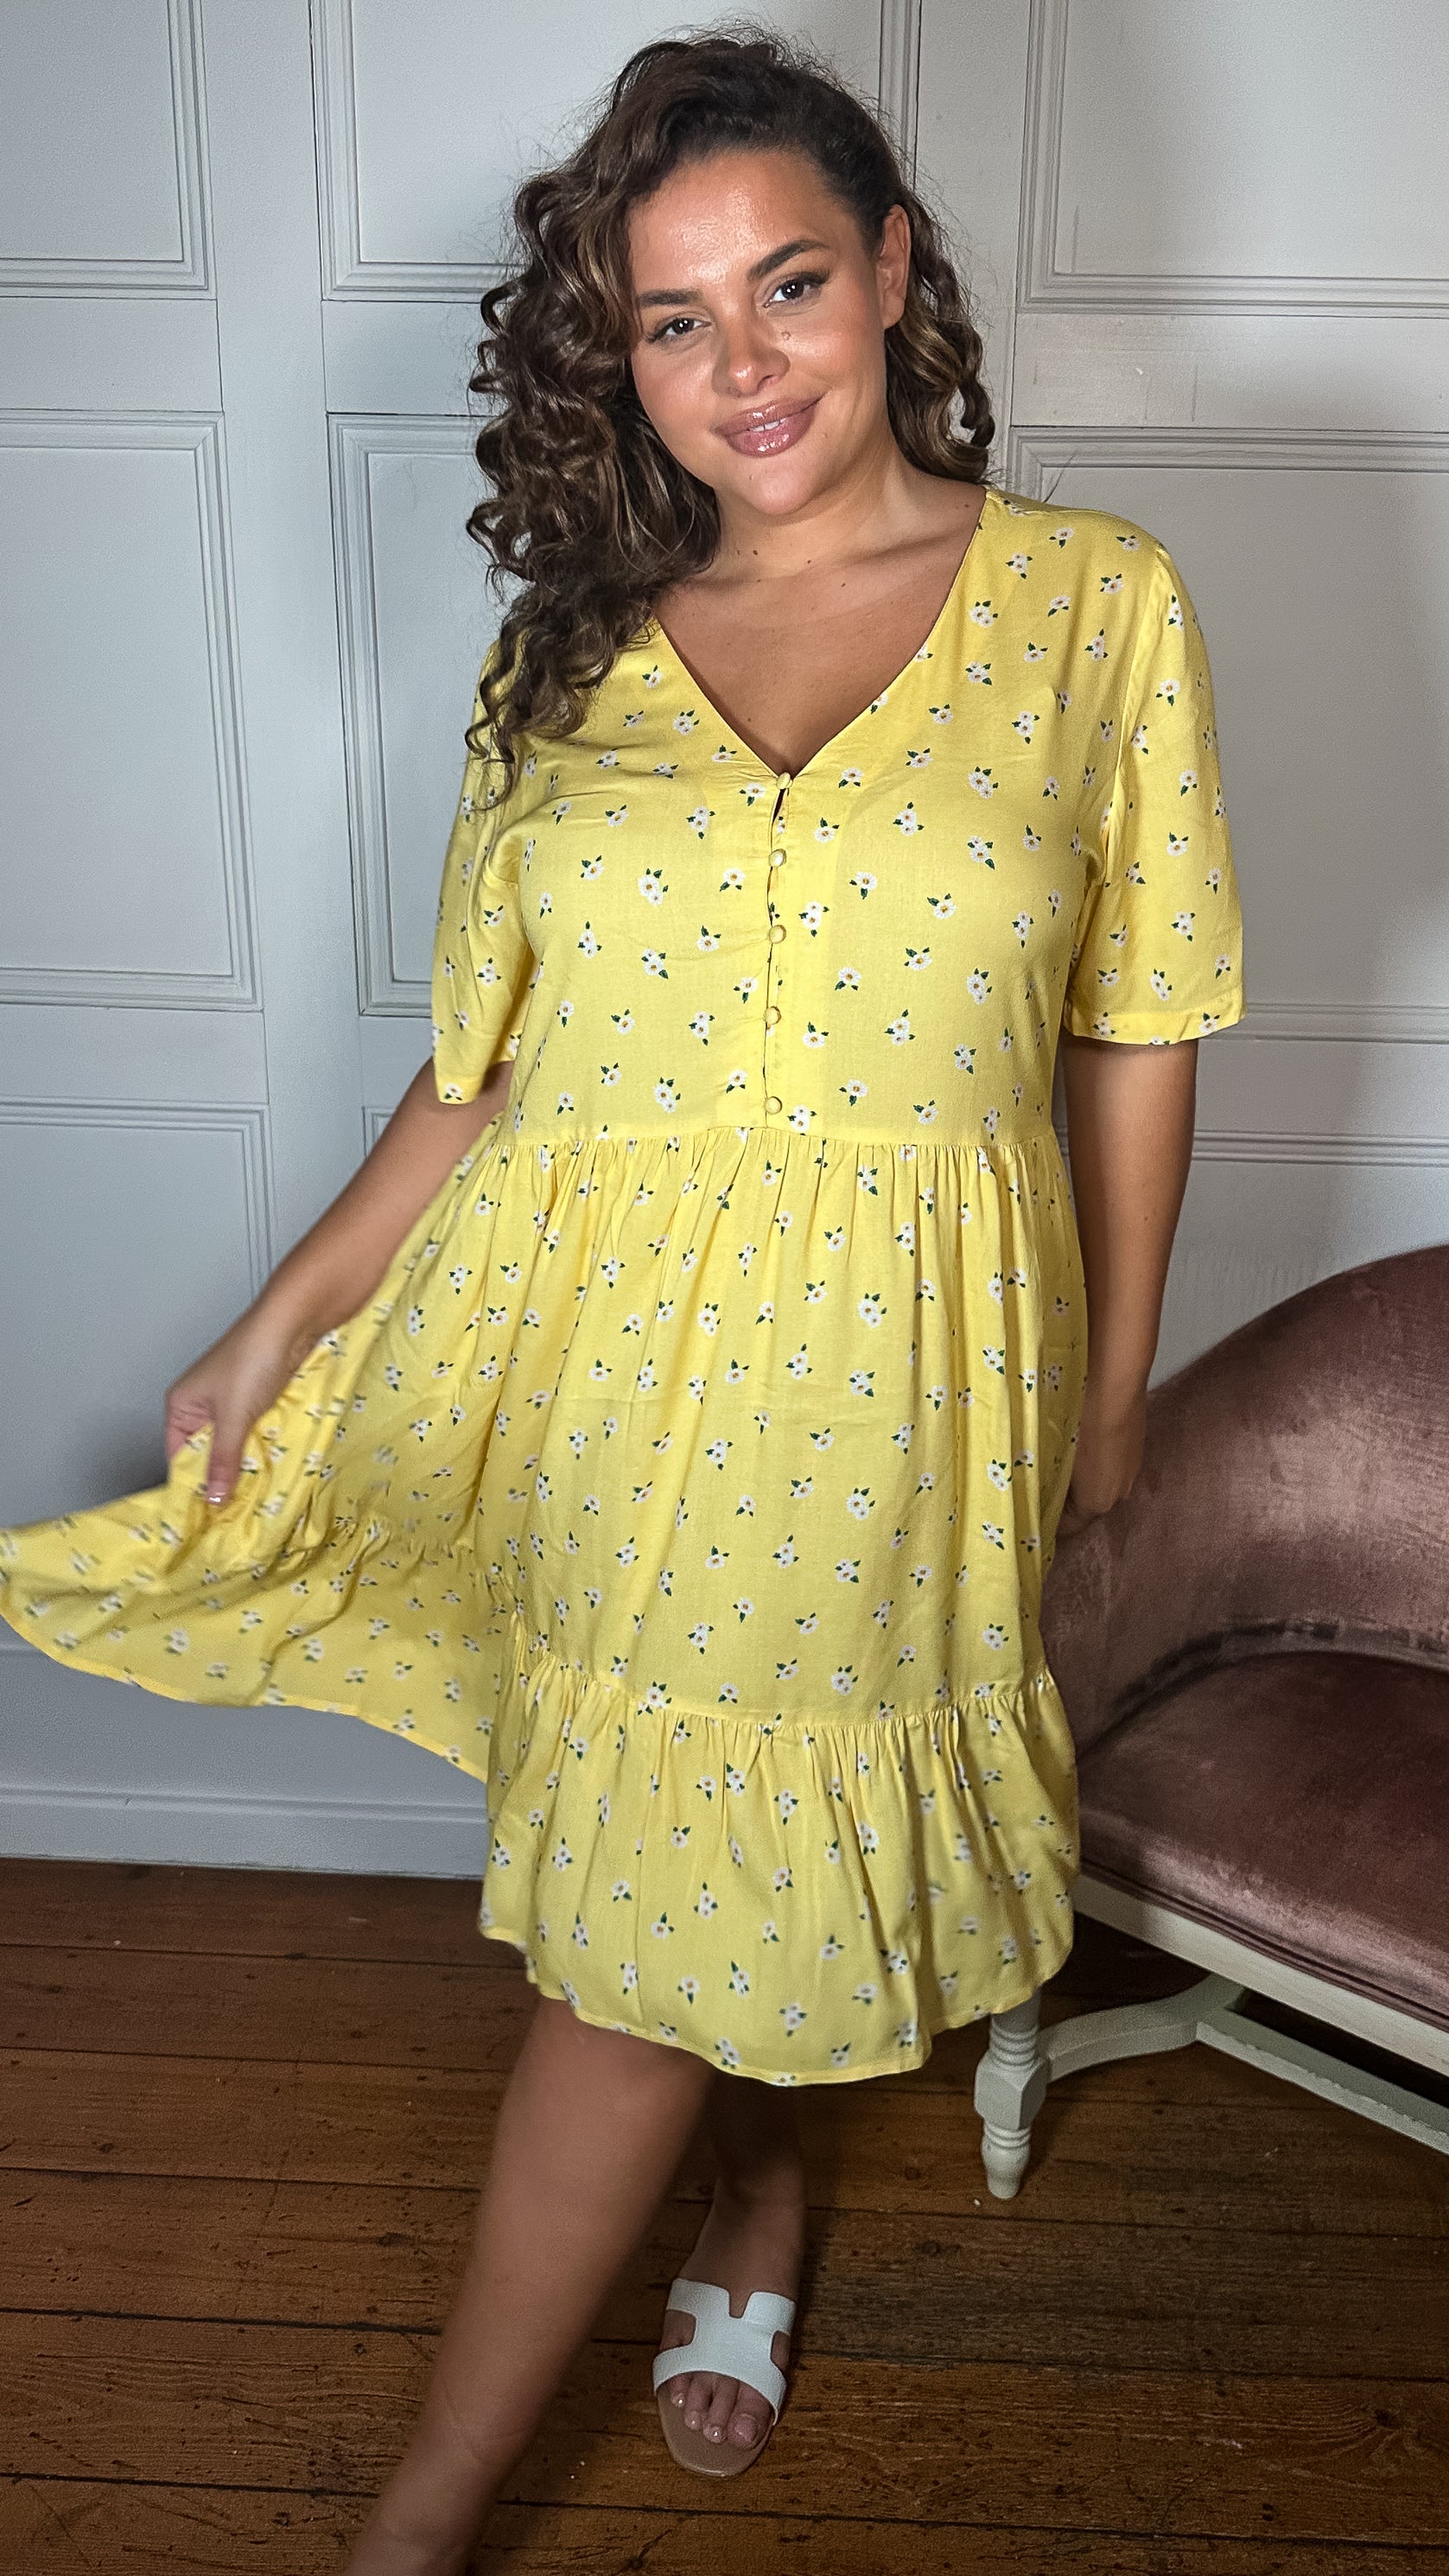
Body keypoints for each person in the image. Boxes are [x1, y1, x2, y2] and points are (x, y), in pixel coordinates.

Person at [0, 27, 1244, 2570]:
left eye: (787, 283)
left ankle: (502, 2438)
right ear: (620, 358)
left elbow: (1141, 1026)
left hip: (907, 1380)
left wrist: (1115, 1392)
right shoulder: (566, 654)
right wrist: (282, 1318)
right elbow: (480, 1069)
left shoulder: (1094, 607)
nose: (743, 363)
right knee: (664, 1895)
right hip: (600, 1366)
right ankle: (620, 2330)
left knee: (697, 1896)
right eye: (674, 319)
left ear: (893, 269)